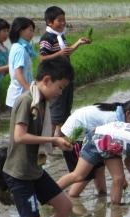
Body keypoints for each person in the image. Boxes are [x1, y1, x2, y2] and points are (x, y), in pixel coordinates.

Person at [2, 57, 74, 217]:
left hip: (34, 169)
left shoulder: (42, 102)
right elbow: (20, 136)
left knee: (65, 206)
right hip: (19, 173)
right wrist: (52, 140)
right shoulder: (27, 100)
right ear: (47, 80)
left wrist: (58, 142)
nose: (60, 93)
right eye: (59, 88)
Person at [60, 99, 130, 197]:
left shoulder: (118, 113)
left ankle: (102, 196)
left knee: (99, 169)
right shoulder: (113, 119)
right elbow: (108, 150)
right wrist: (121, 178)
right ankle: (55, 194)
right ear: (128, 114)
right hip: (74, 137)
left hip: (92, 138)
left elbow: (107, 152)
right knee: (82, 175)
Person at [39, 6, 91, 135]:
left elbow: (66, 52)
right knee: (55, 109)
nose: (63, 23)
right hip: (55, 79)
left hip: (64, 78)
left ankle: (59, 137)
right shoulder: (47, 38)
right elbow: (42, 58)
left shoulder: (60, 36)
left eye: (64, 20)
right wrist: (60, 53)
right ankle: (49, 140)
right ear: (50, 22)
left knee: (65, 107)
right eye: (59, 21)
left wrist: (78, 43)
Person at [5, 17, 37, 108]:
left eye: (33, 31)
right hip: (19, 97)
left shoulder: (19, 47)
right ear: (20, 31)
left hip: (19, 96)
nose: (32, 34)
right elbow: (19, 75)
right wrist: (31, 91)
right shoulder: (20, 49)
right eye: (30, 30)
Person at [0, 18, 10, 121]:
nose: (6, 34)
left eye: (7, 31)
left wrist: (7, 70)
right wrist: (9, 67)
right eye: (4, 31)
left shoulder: (4, 48)